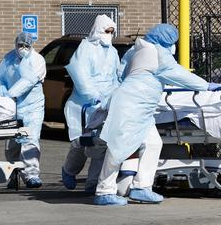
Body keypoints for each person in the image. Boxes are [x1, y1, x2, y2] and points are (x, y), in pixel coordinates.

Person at [94, 23, 220, 206]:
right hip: (132, 104)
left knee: (153, 143)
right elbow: (176, 73)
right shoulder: (157, 54)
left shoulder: (139, 50)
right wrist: (205, 85)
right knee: (119, 148)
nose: (173, 45)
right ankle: (104, 191)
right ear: (165, 40)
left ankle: (141, 187)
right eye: (173, 41)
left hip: (143, 107)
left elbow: (124, 72)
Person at [62, 14, 121, 194]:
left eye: (112, 32)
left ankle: (93, 182)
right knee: (81, 143)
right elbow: (80, 75)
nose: (109, 35)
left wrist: (116, 96)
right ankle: (69, 170)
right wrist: (93, 96)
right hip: (85, 104)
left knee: (102, 144)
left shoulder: (112, 52)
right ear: (98, 30)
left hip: (106, 103)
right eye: (106, 31)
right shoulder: (85, 48)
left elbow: (116, 77)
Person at [0, 32, 46, 188]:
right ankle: (13, 173)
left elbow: (28, 81)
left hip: (32, 107)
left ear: (31, 46)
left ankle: (32, 175)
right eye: (20, 45)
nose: (23, 48)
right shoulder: (9, 59)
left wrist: (9, 95)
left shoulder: (37, 60)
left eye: (26, 46)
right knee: (12, 144)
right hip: (12, 107)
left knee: (31, 140)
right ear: (15, 45)